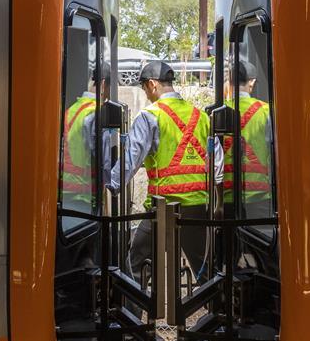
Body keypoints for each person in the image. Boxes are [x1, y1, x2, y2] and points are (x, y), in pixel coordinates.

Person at [110, 61, 223, 282]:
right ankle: (219, 313)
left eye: (144, 89)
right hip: (198, 206)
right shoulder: (201, 117)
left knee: (135, 267)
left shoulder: (150, 116)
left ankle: (134, 314)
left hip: (162, 208)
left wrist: (110, 188)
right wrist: (218, 204)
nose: (146, 95)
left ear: (152, 84)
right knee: (207, 271)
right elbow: (217, 165)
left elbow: (130, 161)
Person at [223, 60, 273, 220]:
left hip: (225, 198)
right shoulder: (266, 112)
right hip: (260, 197)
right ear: (251, 82)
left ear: (228, 82)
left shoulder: (216, 113)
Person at [60, 62, 111, 216]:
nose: (109, 95)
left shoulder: (71, 110)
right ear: (103, 84)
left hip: (64, 194)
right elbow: (105, 161)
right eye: (110, 89)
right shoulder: (96, 114)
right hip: (85, 197)